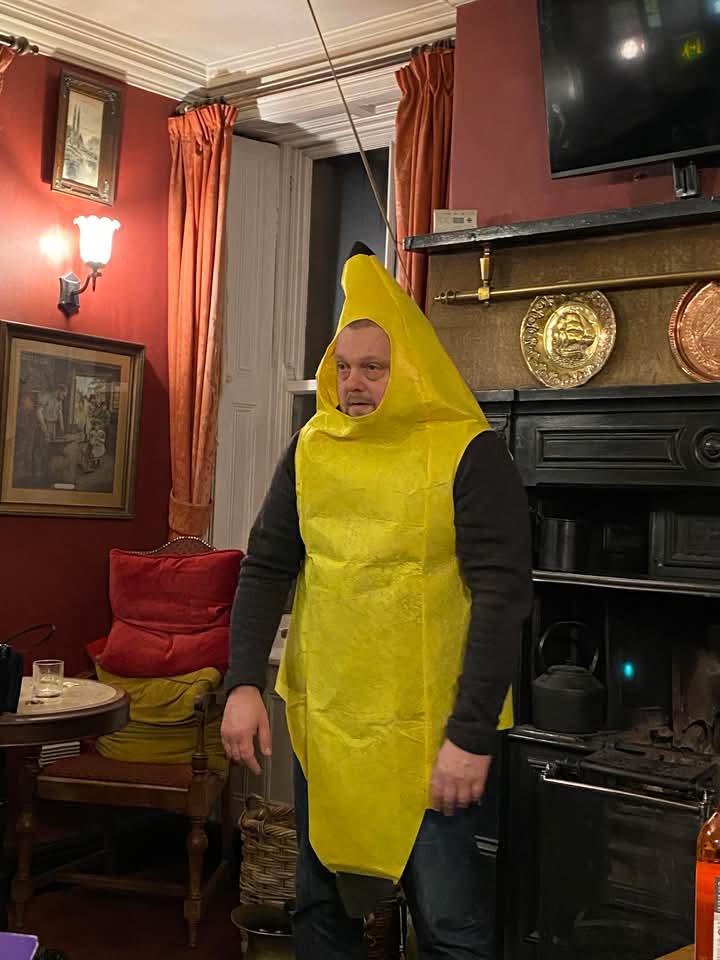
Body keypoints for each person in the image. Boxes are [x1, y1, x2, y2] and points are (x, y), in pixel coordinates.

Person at [221, 243, 532, 960]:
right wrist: (242, 683)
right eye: (343, 366)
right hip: (330, 728)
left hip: (432, 737)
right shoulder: (311, 447)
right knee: (319, 908)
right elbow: (266, 566)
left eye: (374, 367)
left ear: (410, 368)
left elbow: (502, 598)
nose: (353, 383)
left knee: (449, 927)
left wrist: (471, 736)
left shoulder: (468, 452)